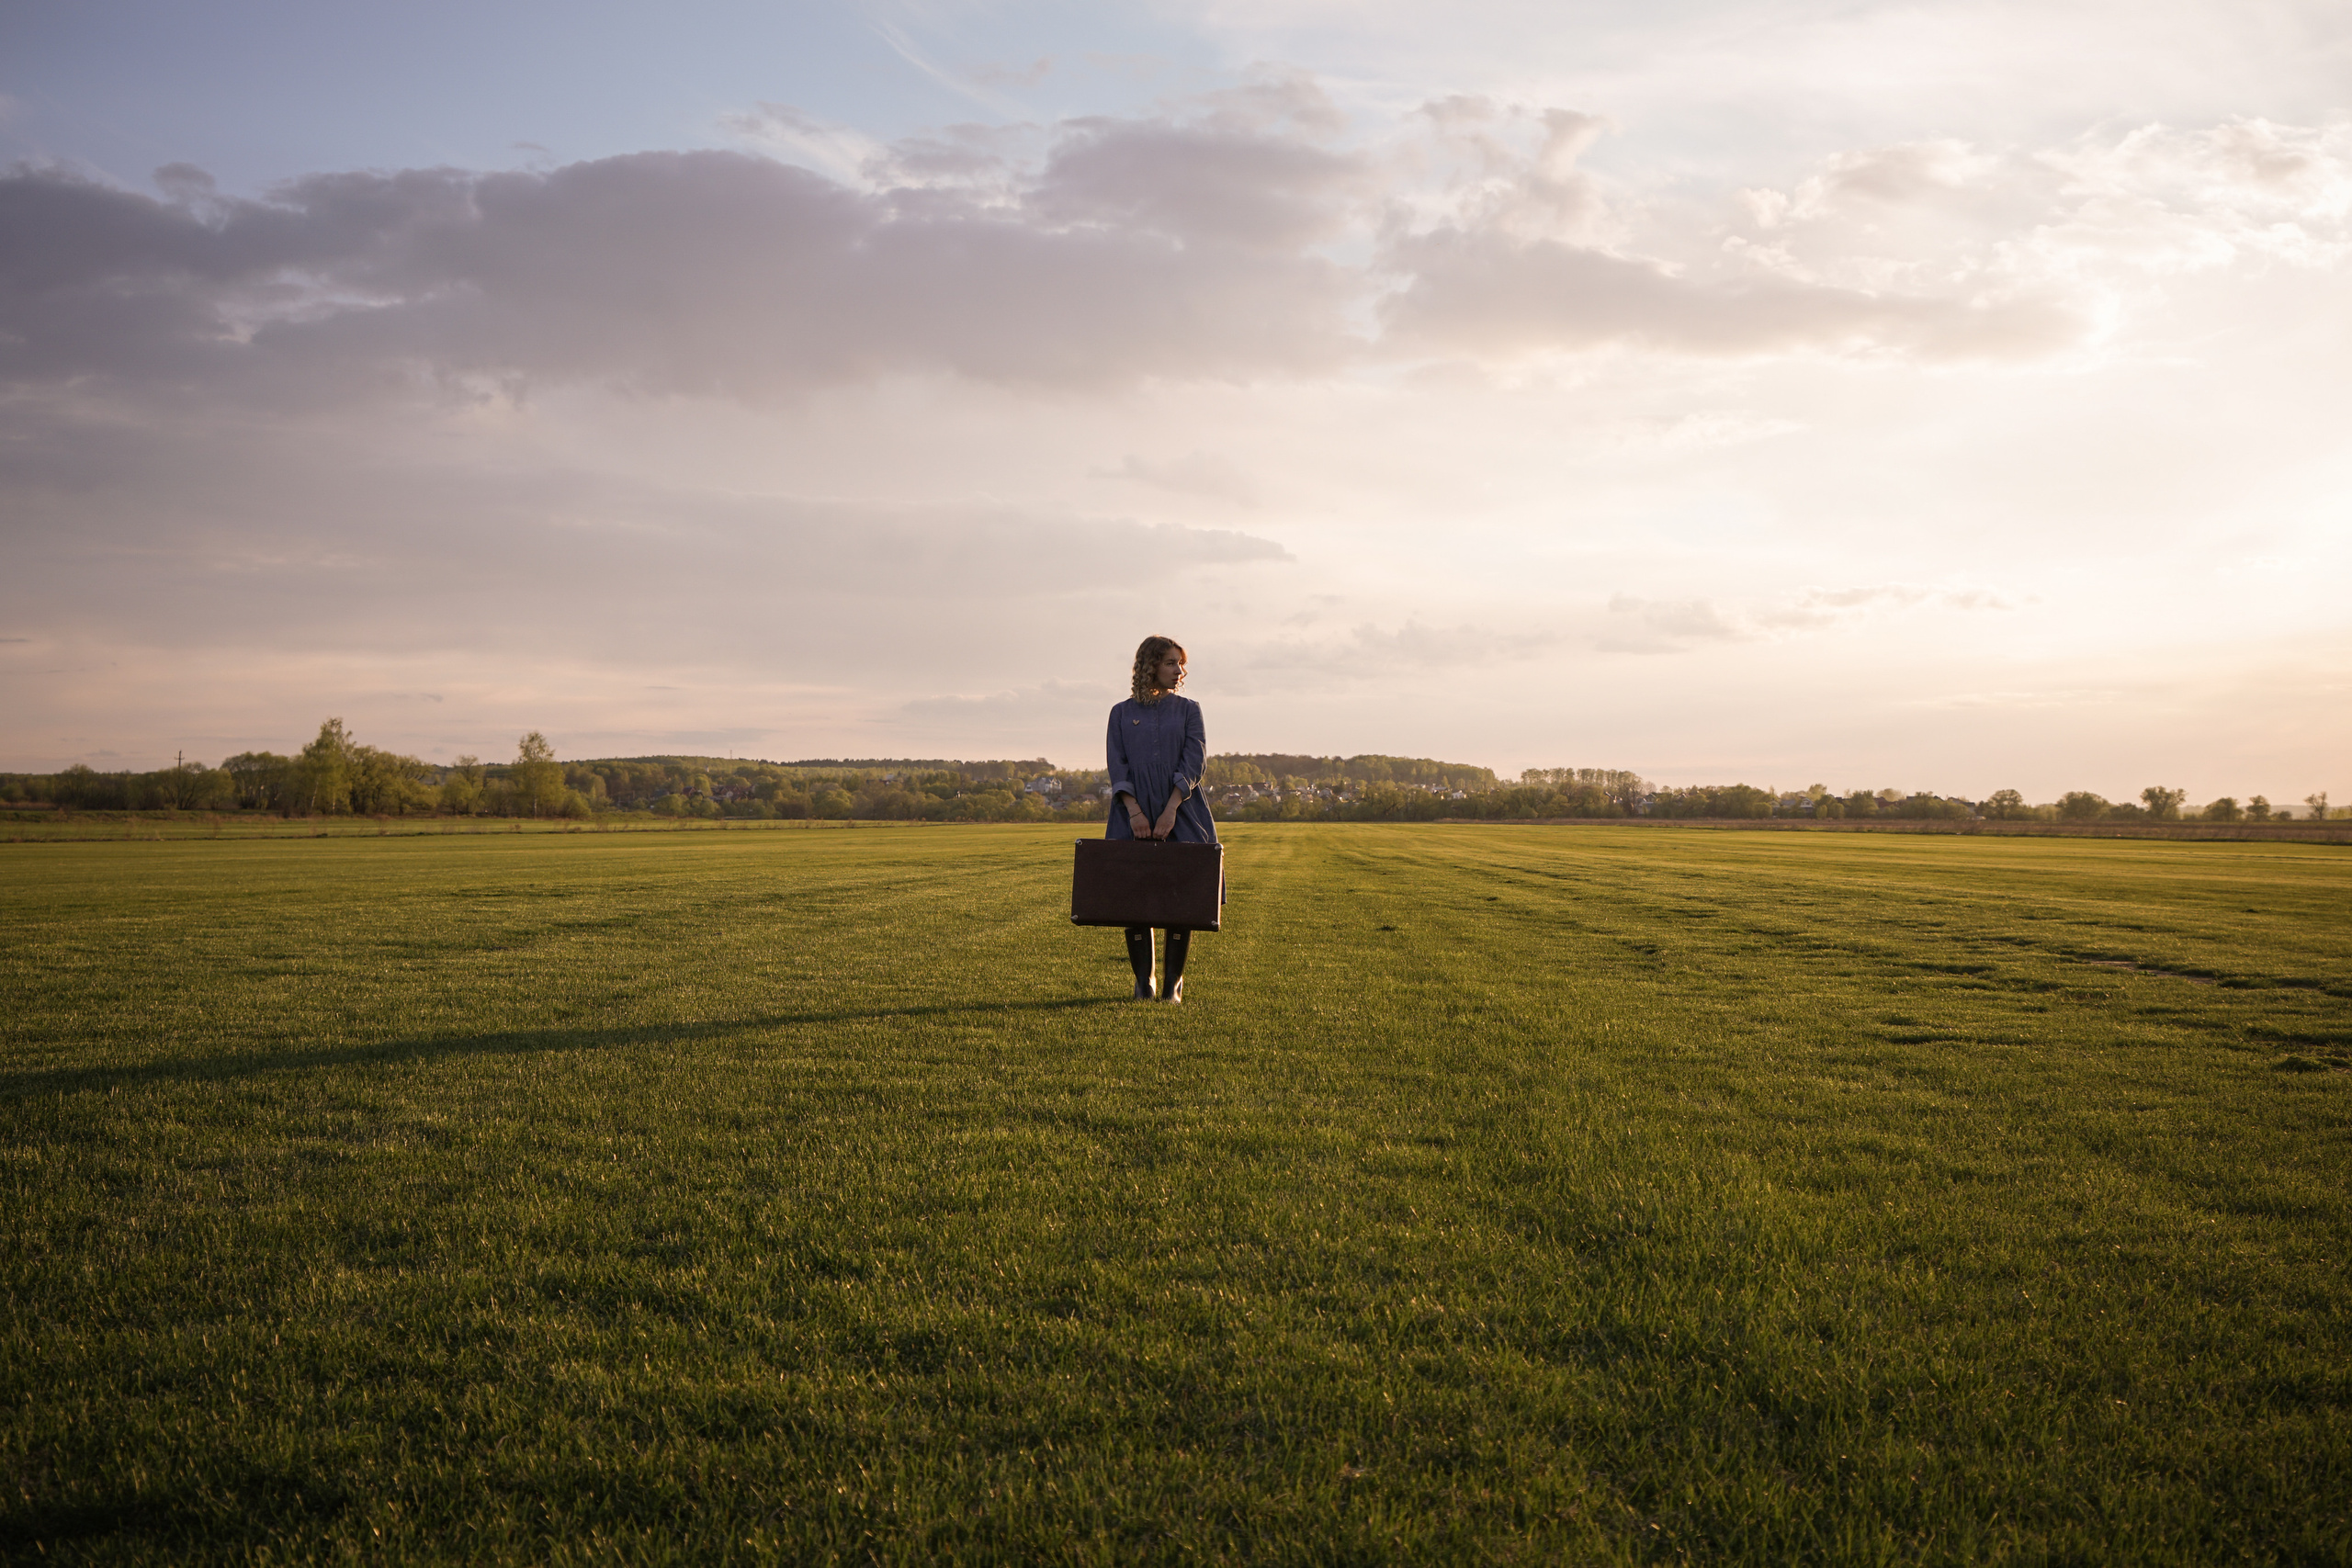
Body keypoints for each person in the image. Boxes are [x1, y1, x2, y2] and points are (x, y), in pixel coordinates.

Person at [1105, 635, 1216, 1002]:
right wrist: (1134, 811)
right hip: (1131, 811)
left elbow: (1194, 762)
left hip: (1182, 810)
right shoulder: (1120, 713)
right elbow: (1116, 764)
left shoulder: (1189, 710)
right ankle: (1144, 982)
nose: (1178, 671)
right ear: (1150, 665)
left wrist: (1171, 809)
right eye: (1171, 663)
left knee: (1181, 897)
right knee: (1133, 896)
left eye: (1180, 664)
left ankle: (1173, 985)